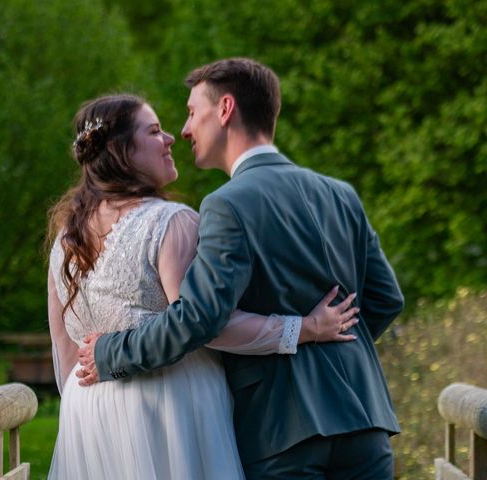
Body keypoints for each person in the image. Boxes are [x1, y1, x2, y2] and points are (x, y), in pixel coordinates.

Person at [77, 59, 405, 480]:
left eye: (194, 112)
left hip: (281, 431)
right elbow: (385, 300)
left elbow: (199, 319)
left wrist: (110, 353)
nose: (187, 129)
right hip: (366, 419)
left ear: (226, 109)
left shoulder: (227, 204)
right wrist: (335, 352)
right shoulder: (341, 194)